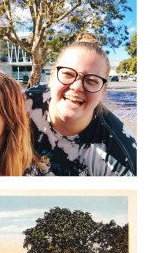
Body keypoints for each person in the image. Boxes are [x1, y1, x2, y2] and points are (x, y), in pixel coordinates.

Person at [25, 33, 137, 176]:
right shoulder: (23, 105)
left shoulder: (120, 156)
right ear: (52, 77)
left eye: (91, 80)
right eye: (68, 74)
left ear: (103, 91)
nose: (77, 87)